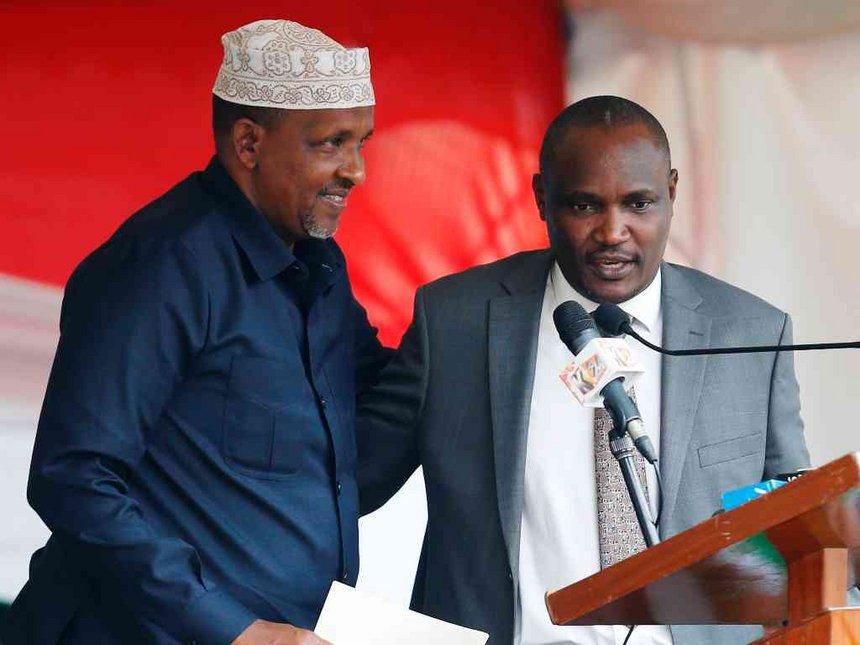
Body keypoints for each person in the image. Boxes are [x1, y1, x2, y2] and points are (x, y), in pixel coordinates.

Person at [357, 95, 810, 644]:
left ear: (671, 192)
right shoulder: (454, 322)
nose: (613, 231)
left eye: (639, 204)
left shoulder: (752, 334)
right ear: (542, 199)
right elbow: (347, 486)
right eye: (585, 206)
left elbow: (796, 538)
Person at [3, 19, 388, 645]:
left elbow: (378, 401)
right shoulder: (162, 266)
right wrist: (235, 629)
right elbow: (73, 477)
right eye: (331, 143)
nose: (356, 170)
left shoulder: (317, 263)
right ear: (248, 144)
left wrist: (488, 347)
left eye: (362, 142)